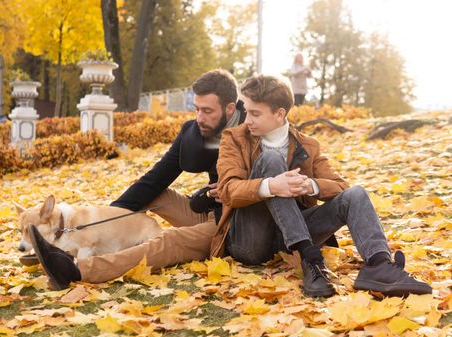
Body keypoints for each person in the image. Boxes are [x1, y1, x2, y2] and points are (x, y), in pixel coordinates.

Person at [211, 74, 432, 298]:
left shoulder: (309, 146)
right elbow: (228, 190)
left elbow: (340, 186)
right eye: (246, 111)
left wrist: (311, 186)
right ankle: (311, 260)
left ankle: (379, 265)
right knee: (271, 161)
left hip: (288, 239)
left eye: (255, 113)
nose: (247, 119)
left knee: (355, 194)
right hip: (251, 241)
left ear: (279, 114)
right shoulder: (234, 138)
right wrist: (270, 186)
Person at [28, 69, 247, 290]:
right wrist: (106, 220)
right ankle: (66, 247)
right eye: (197, 109)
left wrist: (237, 188)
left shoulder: (254, 128)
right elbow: (156, 178)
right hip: (208, 209)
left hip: (233, 226)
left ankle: (77, 270)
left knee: (169, 240)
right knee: (155, 192)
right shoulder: (195, 130)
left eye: (207, 111)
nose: (199, 117)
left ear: (230, 108)